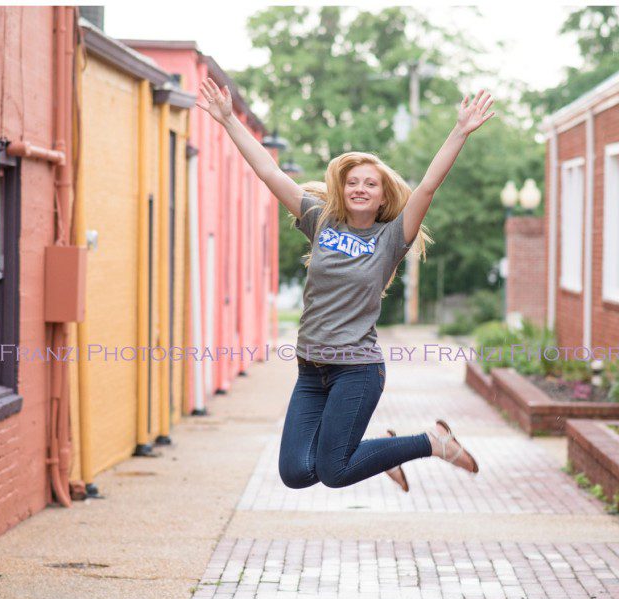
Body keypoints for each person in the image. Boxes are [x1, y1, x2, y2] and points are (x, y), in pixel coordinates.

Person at [196, 76, 495, 492]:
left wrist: (459, 132)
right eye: (353, 181)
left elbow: (428, 185)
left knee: (335, 471)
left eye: (369, 183)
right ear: (342, 187)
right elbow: (269, 172)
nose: (360, 188)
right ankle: (383, 450)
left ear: (382, 195)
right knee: (296, 473)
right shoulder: (320, 220)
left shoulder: (391, 238)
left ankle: (432, 442)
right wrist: (228, 121)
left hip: (356, 369)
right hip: (310, 368)